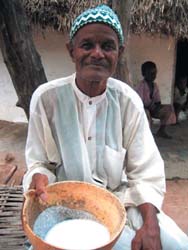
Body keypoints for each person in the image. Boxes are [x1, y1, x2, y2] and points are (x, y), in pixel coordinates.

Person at [23, 4, 188, 250]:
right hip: (62, 204)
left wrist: (150, 226)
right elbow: (39, 162)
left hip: (118, 201)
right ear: (71, 51)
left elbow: (145, 173)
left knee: (177, 245)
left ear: (119, 52)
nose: (98, 53)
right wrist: (38, 177)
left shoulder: (128, 101)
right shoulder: (46, 99)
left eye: (107, 46)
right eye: (87, 45)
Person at [135, 61, 176, 139]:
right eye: (150, 73)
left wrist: (157, 107)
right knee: (146, 113)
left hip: (152, 109)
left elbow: (158, 101)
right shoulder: (140, 86)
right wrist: (148, 108)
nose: (153, 75)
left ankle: (161, 130)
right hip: (142, 109)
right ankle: (146, 135)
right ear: (144, 74)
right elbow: (138, 103)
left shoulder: (155, 86)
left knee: (169, 108)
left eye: (154, 73)